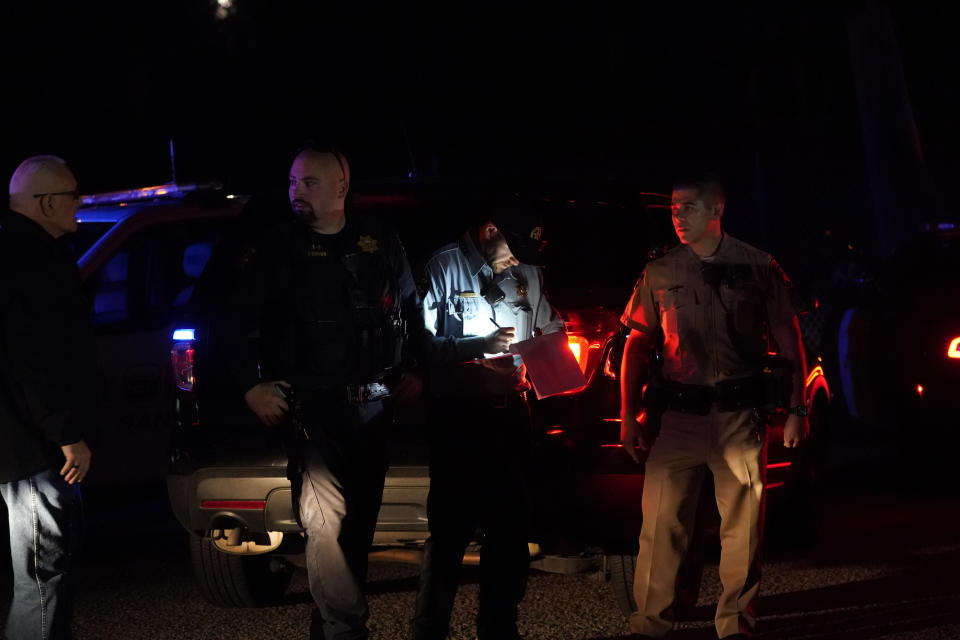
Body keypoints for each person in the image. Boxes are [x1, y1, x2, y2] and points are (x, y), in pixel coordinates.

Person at [235, 145, 421, 640]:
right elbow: (231, 325)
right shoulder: (276, 251)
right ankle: (345, 630)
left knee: (356, 531)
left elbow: (411, 311)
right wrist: (250, 386)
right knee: (327, 523)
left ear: (341, 187)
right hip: (313, 412)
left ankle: (328, 624)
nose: (297, 192)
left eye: (309, 183)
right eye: (292, 182)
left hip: (374, 411)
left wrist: (416, 371)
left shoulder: (379, 241)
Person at [619, 175, 808, 639]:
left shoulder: (759, 266)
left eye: (688, 207)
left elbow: (789, 338)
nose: (677, 215)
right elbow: (637, 346)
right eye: (674, 208)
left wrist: (797, 408)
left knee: (742, 533)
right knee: (660, 529)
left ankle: (735, 627)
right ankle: (649, 626)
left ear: (716, 210)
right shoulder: (661, 271)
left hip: (738, 418)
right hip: (678, 419)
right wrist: (628, 415)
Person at [410, 209, 565, 640]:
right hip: (458, 417)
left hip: (510, 415)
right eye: (513, 250)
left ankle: (499, 628)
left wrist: (556, 348)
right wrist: (477, 346)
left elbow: (547, 324)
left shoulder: (527, 269)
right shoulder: (443, 267)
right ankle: (429, 630)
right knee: (449, 535)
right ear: (490, 231)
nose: (519, 262)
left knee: (509, 532)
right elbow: (419, 343)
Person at [0, 155, 100, 640]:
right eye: (72, 194)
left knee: (40, 574)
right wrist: (66, 434)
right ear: (44, 203)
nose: (80, 202)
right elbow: (30, 360)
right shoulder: (27, 262)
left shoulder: (28, 253)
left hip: (30, 445)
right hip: (34, 451)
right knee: (43, 576)